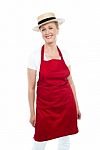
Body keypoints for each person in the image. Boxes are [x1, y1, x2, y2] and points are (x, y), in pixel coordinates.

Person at [27, 12, 81, 150]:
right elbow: (31, 88)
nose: (47, 32)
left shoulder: (65, 54)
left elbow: (71, 82)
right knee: (40, 140)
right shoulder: (34, 56)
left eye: (50, 28)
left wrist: (76, 105)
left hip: (66, 104)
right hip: (45, 109)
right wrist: (32, 113)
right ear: (40, 32)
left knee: (65, 138)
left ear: (57, 29)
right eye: (43, 29)